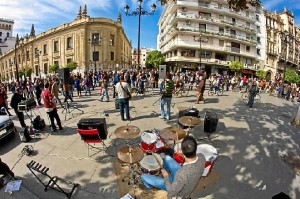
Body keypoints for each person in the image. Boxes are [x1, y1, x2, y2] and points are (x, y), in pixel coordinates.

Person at [141, 136, 205, 198]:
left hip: (178, 191)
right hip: (185, 178)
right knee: (167, 158)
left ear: (182, 151)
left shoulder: (181, 173)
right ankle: (166, 173)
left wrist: (166, 176)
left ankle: (150, 187)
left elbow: (171, 192)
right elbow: (190, 159)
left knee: (143, 176)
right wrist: (183, 154)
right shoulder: (202, 157)